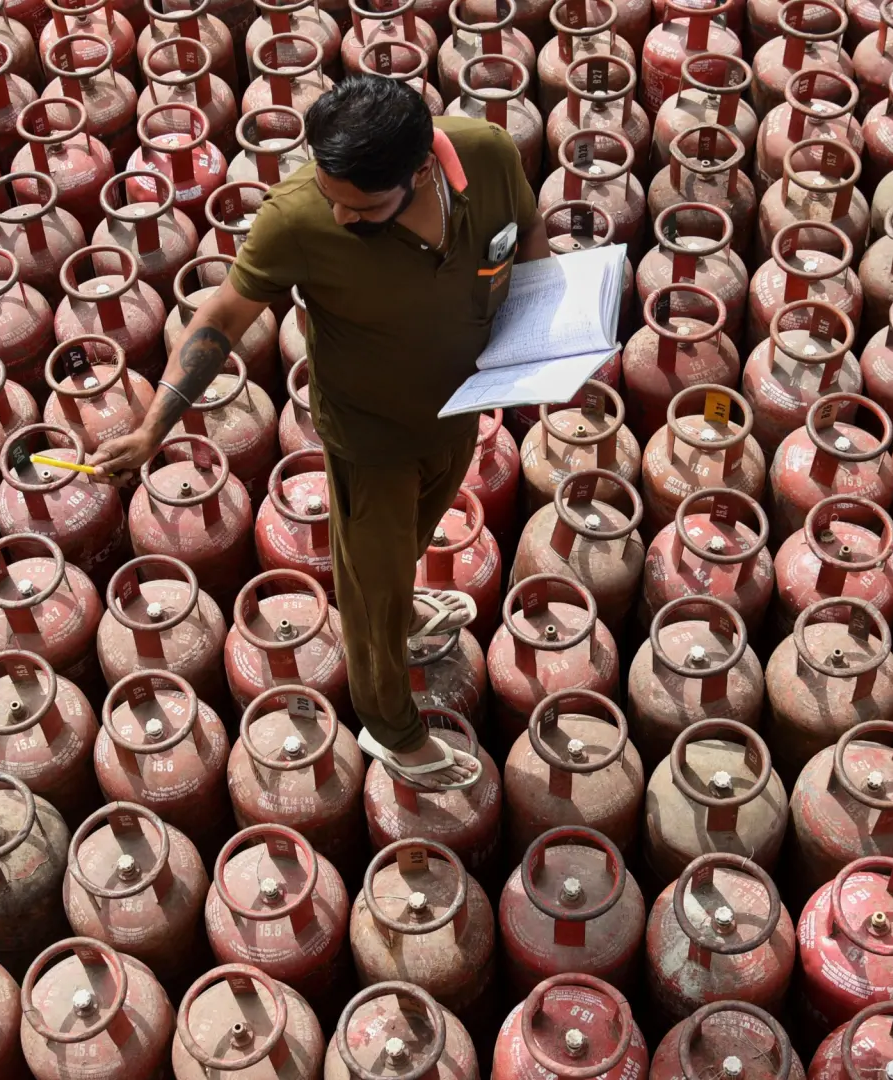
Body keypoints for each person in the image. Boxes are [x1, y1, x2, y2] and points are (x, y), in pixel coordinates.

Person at [90, 73, 549, 788]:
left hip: (462, 407)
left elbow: (526, 236)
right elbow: (220, 320)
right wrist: (155, 427)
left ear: (423, 166)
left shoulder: (486, 155)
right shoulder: (299, 218)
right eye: (332, 197)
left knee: (413, 537)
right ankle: (392, 730)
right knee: (369, 590)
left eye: (360, 209)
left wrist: (549, 336)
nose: (340, 217)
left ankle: (401, 606)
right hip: (370, 437)